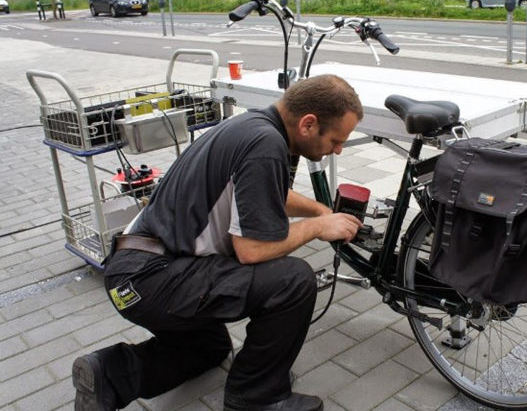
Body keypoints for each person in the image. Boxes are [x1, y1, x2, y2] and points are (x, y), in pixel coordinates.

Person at [71, 74, 364, 411]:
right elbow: (252, 251)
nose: (339, 149)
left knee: (210, 348)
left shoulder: (252, 126)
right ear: (308, 124)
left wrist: (317, 209)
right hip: (153, 277)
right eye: (337, 140)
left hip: (133, 271)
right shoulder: (266, 146)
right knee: (293, 280)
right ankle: (257, 399)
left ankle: (108, 375)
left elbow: (262, 193)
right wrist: (316, 227)